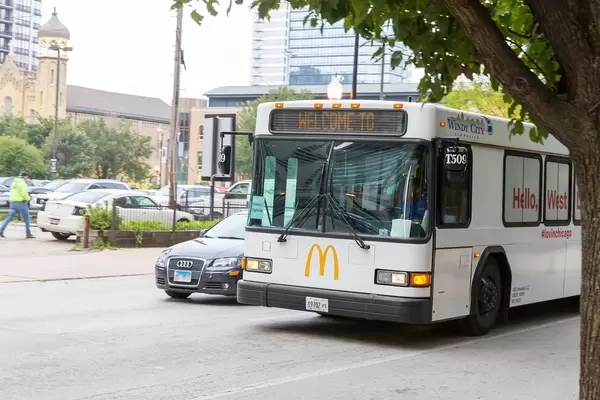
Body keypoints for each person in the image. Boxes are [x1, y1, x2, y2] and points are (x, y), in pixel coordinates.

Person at [0, 171, 35, 239]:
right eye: (27, 176)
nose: (27, 178)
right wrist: (28, 198)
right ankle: (28, 233)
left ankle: (1, 230)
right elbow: (23, 193)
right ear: (24, 176)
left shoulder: (14, 183)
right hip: (21, 203)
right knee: (27, 218)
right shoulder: (22, 183)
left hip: (13, 203)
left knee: (9, 218)